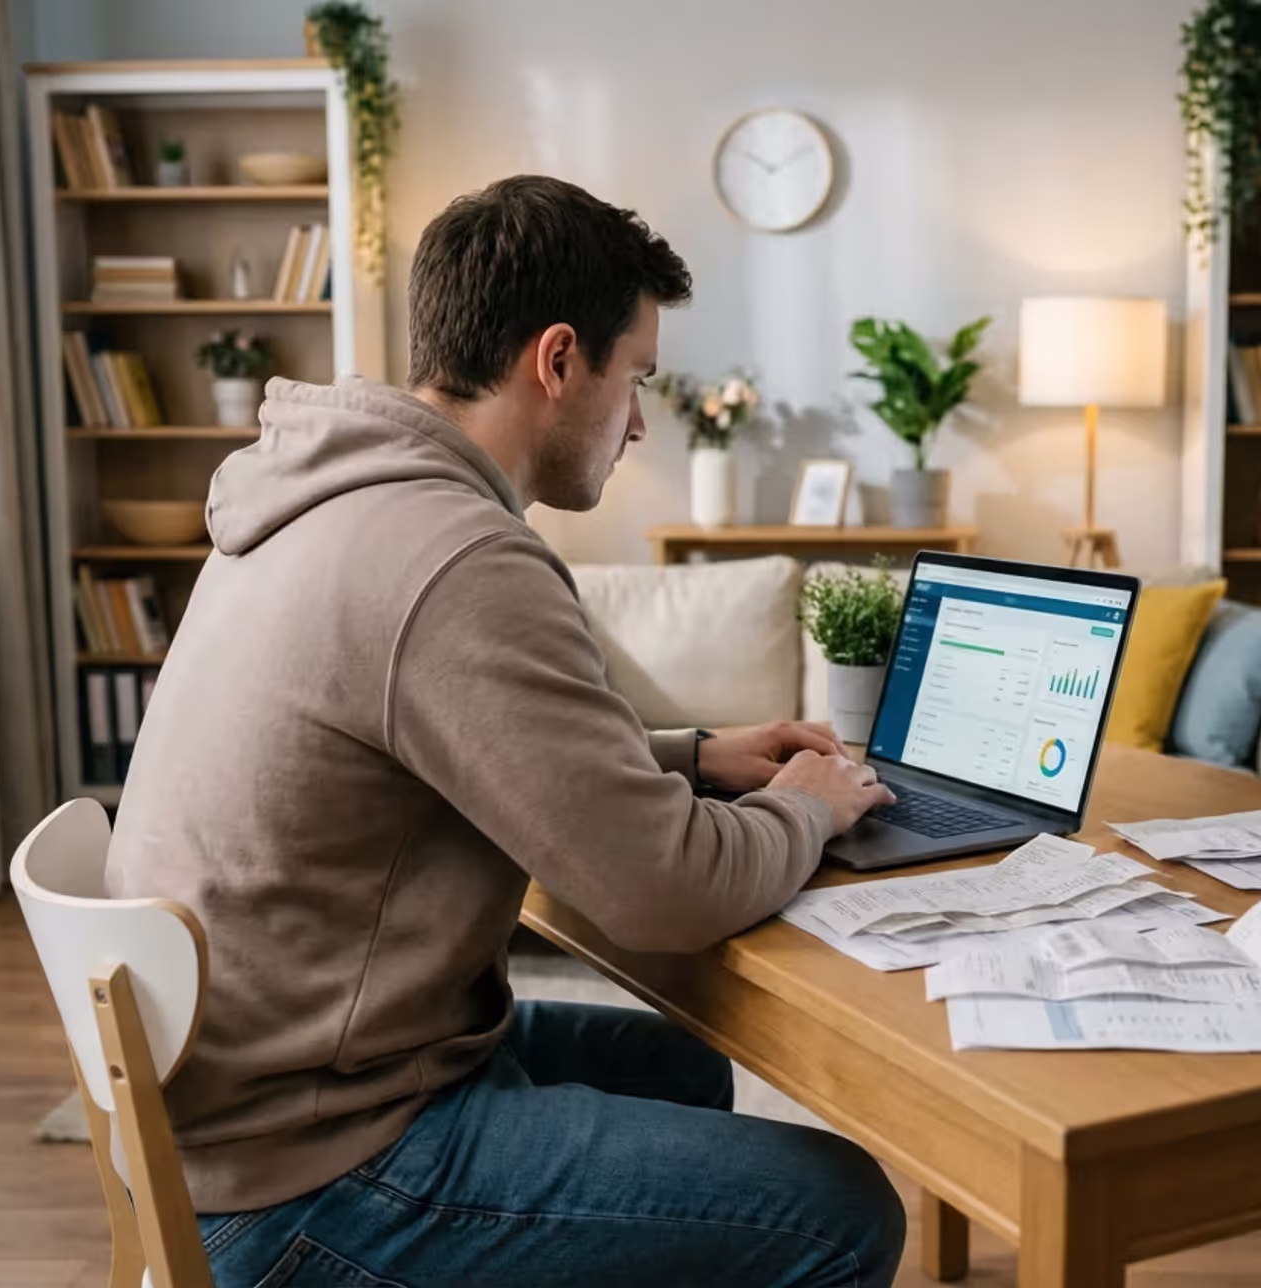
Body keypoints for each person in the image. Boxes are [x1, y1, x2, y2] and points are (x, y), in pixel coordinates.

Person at [105, 174, 906, 1287]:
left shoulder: (323, 498)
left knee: (676, 1065)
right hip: (311, 1166)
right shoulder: (457, 554)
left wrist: (694, 756)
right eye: (636, 382)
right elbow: (662, 893)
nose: (635, 423)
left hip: (247, 1096)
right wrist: (803, 809)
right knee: (838, 1207)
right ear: (559, 359)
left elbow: (460, 751)